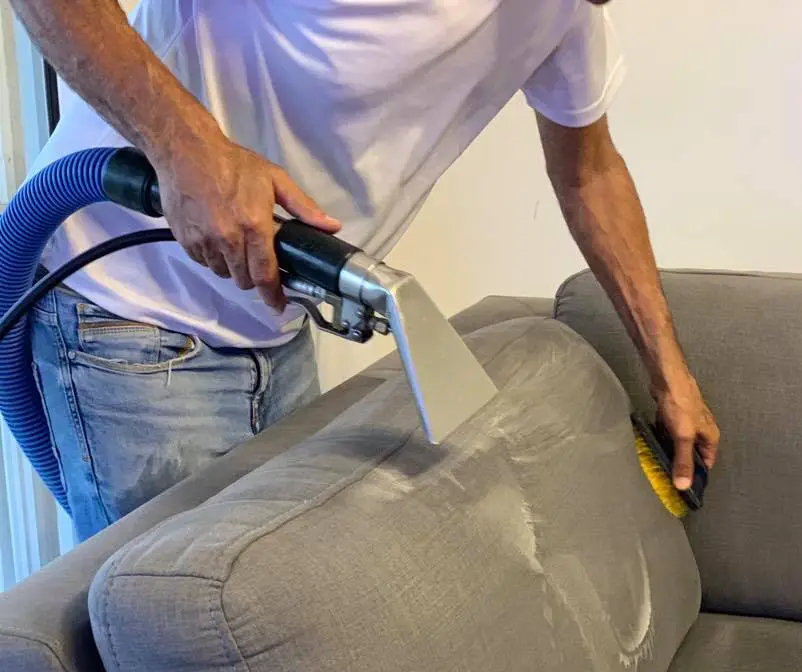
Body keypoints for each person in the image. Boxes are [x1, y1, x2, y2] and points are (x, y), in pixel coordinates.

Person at [12, 0, 720, 541]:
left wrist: (670, 373)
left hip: (276, 321)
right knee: (165, 633)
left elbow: (591, 175)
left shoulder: (565, 13)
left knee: (259, 598)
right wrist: (185, 147)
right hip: (128, 309)